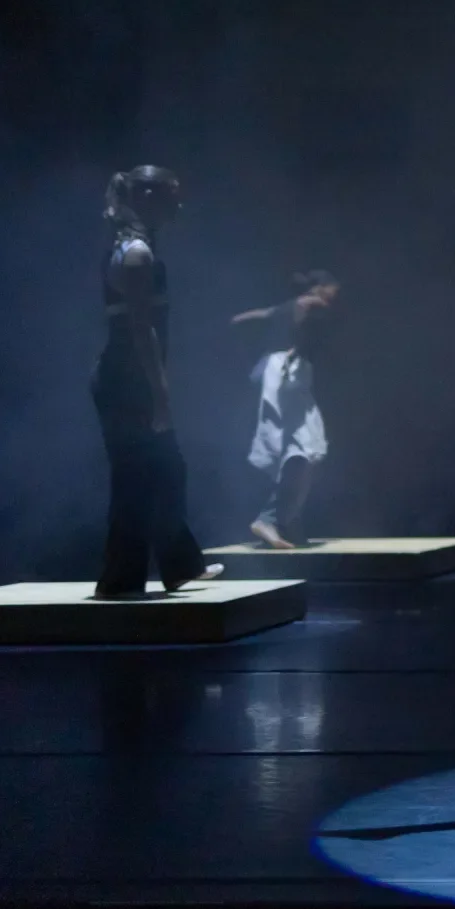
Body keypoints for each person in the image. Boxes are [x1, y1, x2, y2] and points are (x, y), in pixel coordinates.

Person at [92, 166, 223, 596]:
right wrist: (160, 391)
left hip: (127, 379)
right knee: (144, 473)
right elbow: (141, 328)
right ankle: (125, 577)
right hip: (127, 380)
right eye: (171, 196)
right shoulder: (136, 254)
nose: (178, 206)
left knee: (157, 471)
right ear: (147, 196)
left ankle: (172, 566)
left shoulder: (136, 247)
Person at [231, 271, 340, 548]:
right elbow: (305, 322)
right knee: (304, 447)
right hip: (287, 376)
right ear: (320, 288)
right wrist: (295, 349)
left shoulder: (283, 307)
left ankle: (287, 520)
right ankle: (272, 518)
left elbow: (250, 317)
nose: (334, 296)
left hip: (278, 373)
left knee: (302, 451)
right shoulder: (312, 304)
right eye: (332, 290)